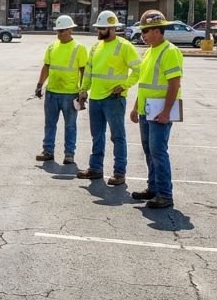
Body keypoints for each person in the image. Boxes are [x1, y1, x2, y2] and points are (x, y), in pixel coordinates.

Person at [76, 10, 141, 184]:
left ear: (112, 28)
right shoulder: (96, 47)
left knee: (117, 137)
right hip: (96, 98)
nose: (98, 32)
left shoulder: (124, 46)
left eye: (102, 29)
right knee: (97, 136)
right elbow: (89, 71)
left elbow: (138, 70)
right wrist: (83, 90)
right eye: (98, 28)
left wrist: (124, 85)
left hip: (114, 99)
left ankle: (119, 173)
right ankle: (95, 168)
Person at [129, 10, 183, 209]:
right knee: (149, 152)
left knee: (158, 152)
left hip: (160, 112)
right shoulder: (149, 51)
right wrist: (136, 107)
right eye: (142, 31)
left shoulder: (170, 51)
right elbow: (144, 84)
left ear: (159, 31)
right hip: (147, 111)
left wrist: (166, 112)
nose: (142, 34)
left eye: (146, 30)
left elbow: (174, 84)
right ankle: (153, 188)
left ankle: (165, 195)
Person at [34, 15, 88, 164]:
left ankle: (69, 154)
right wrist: (39, 85)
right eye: (57, 31)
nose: (59, 34)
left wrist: (83, 90)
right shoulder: (52, 46)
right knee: (50, 124)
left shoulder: (79, 48)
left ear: (70, 30)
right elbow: (46, 66)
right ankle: (48, 151)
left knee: (70, 126)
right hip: (52, 92)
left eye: (62, 31)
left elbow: (84, 70)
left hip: (70, 94)